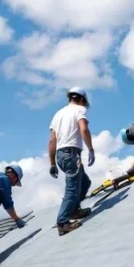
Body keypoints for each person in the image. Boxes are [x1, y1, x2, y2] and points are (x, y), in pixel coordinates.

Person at [48, 87, 94, 236]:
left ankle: (74, 210)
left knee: (85, 182)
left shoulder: (58, 114)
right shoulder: (80, 109)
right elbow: (84, 129)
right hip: (71, 154)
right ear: (81, 100)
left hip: (61, 155)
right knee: (72, 189)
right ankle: (62, 222)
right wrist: (91, 149)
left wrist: (53, 163)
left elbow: (52, 140)